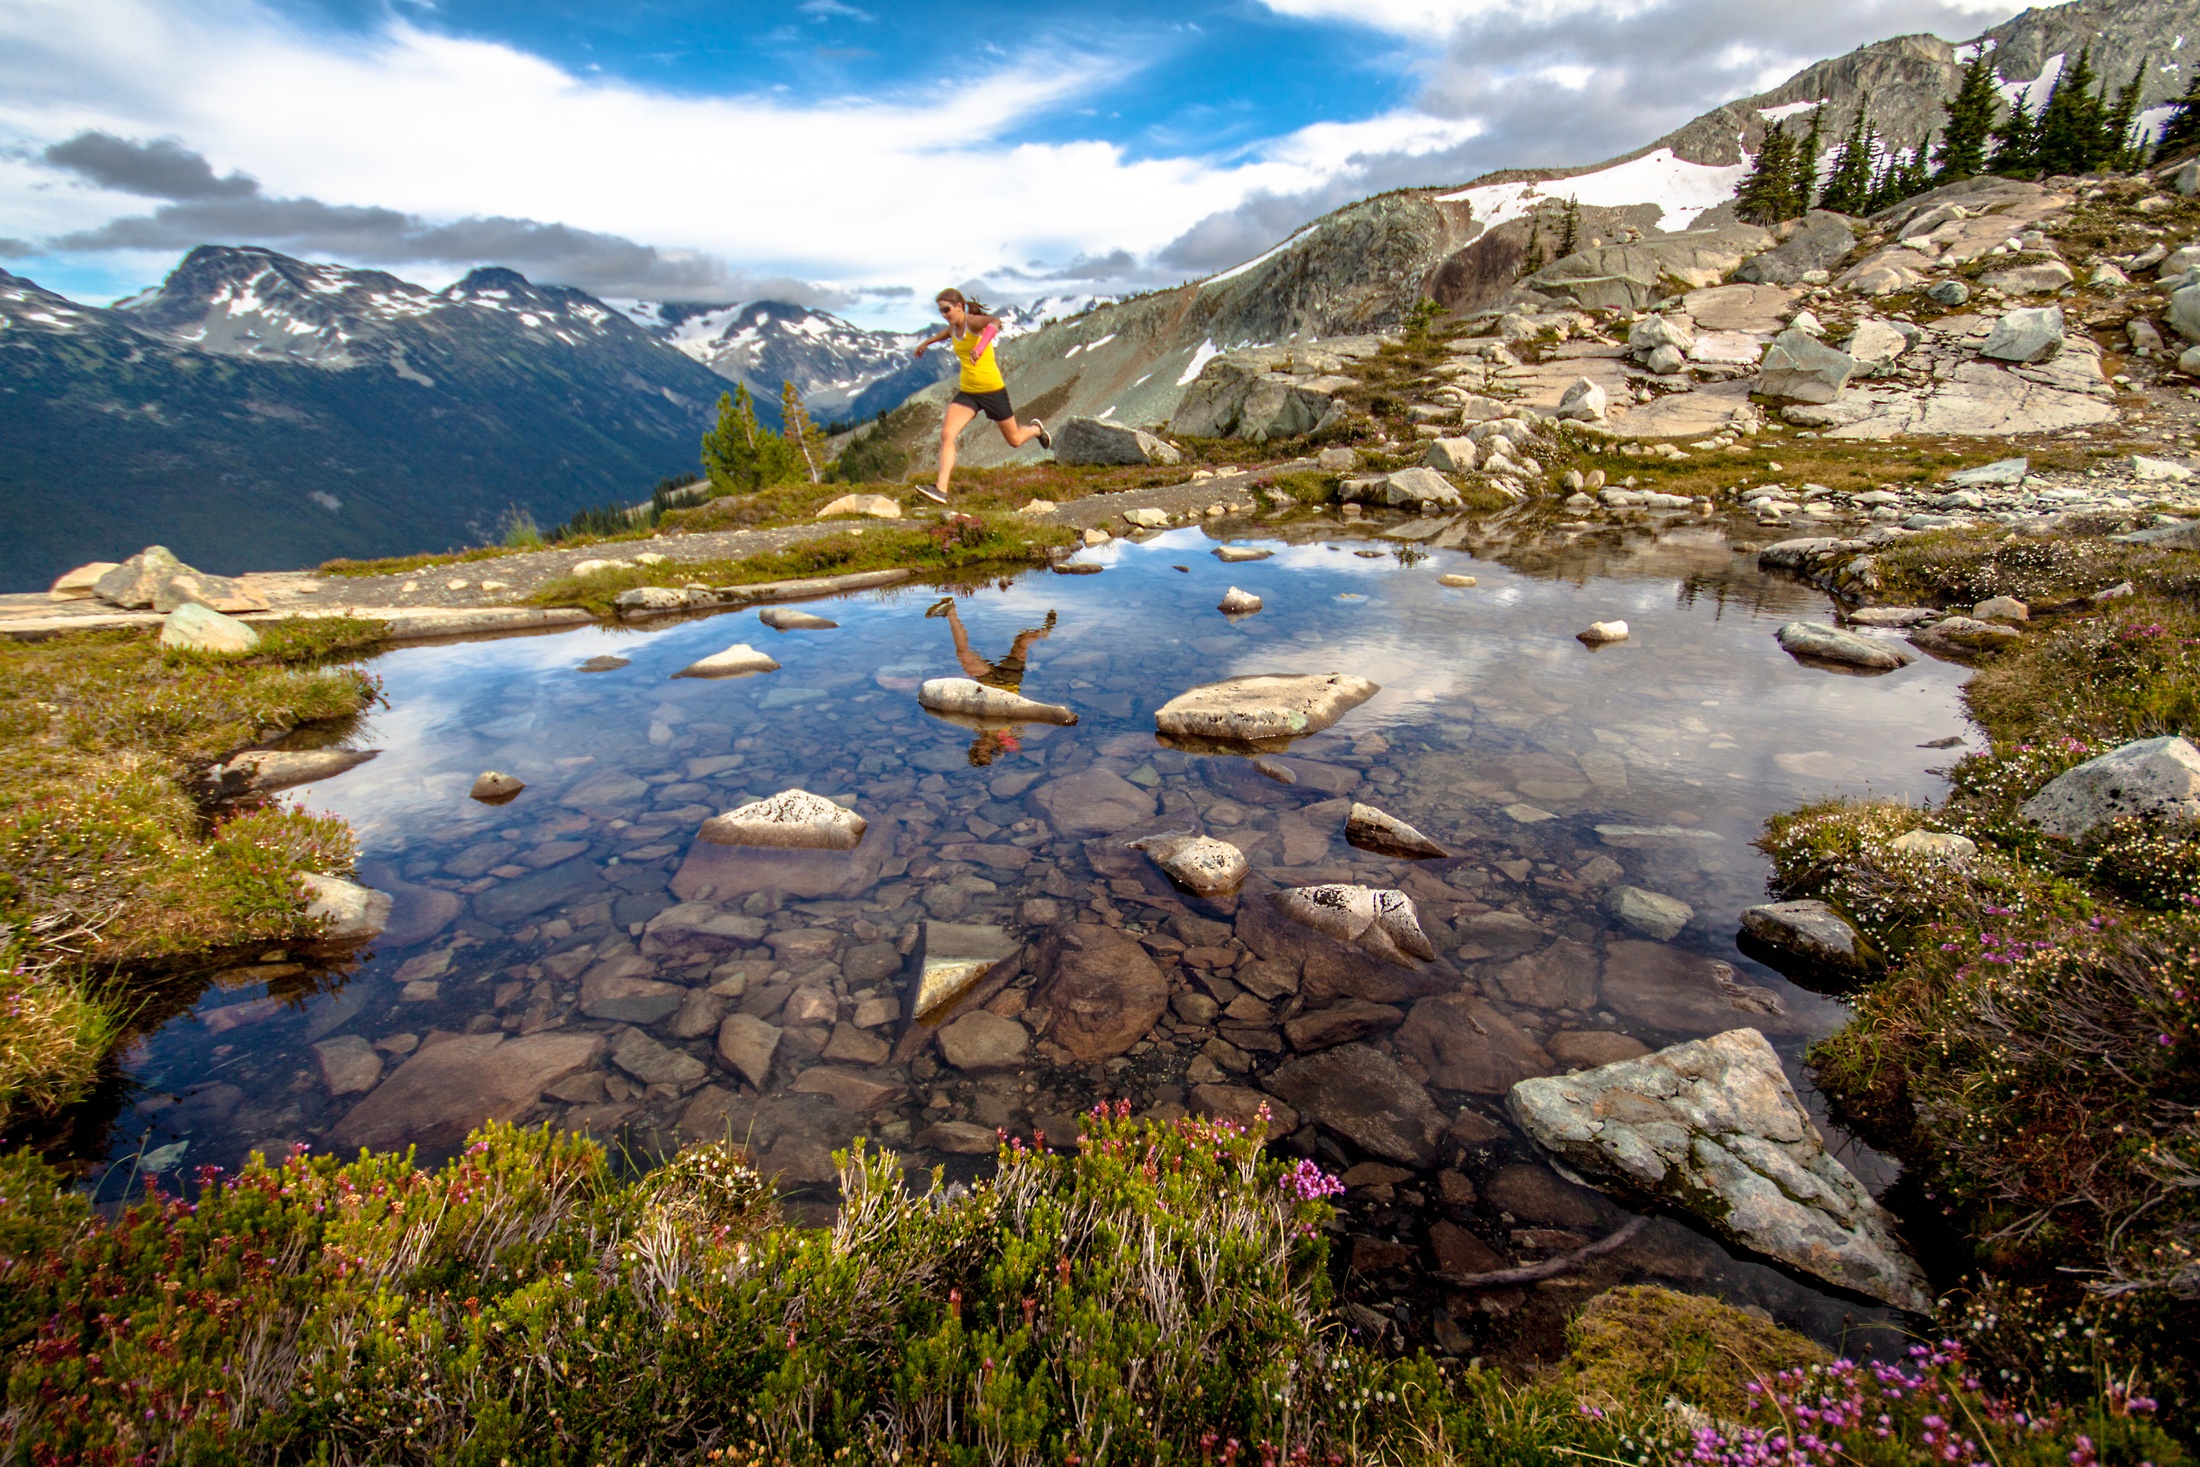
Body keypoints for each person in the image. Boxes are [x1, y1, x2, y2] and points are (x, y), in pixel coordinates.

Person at [913, 289, 1051, 504]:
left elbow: (995, 322)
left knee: (1014, 439)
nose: (944, 314)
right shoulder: (953, 328)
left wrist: (980, 345)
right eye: (941, 311)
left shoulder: (973, 322)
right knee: (947, 434)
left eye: (947, 309)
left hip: (992, 390)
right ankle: (941, 489)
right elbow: (945, 333)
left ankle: (1036, 430)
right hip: (968, 392)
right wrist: (925, 343)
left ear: (959, 306)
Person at [926, 596, 1057, 765]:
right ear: (991, 752)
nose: (980, 748)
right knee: (1022, 640)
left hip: (986, 681)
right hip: (1010, 681)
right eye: (983, 753)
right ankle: (1045, 631)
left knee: (963, 653)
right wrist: (1006, 748)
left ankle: (950, 611)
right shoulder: (1004, 739)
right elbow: (1018, 748)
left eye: (976, 751)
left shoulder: (976, 728)